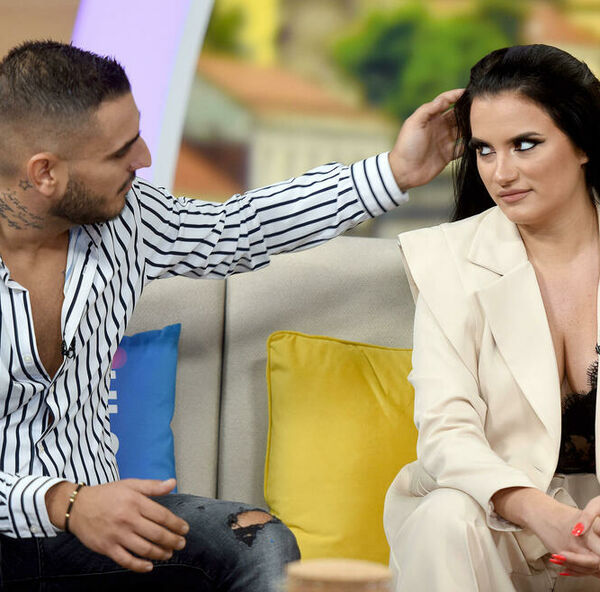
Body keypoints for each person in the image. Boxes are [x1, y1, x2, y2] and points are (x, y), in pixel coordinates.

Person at [0, 40, 459, 591]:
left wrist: (395, 171)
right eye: (119, 152)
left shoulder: (128, 221)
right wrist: (63, 502)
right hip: (27, 525)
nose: (143, 159)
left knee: (256, 537)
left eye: (137, 136)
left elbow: (241, 227)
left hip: (109, 533)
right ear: (44, 173)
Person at [383, 44, 600, 591]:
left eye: (525, 144)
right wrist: (540, 512)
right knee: (444, 517)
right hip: (502, 521)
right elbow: (446, 432)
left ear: (583, 143)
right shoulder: (446, 259)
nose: (501, 174)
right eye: (484, 150)